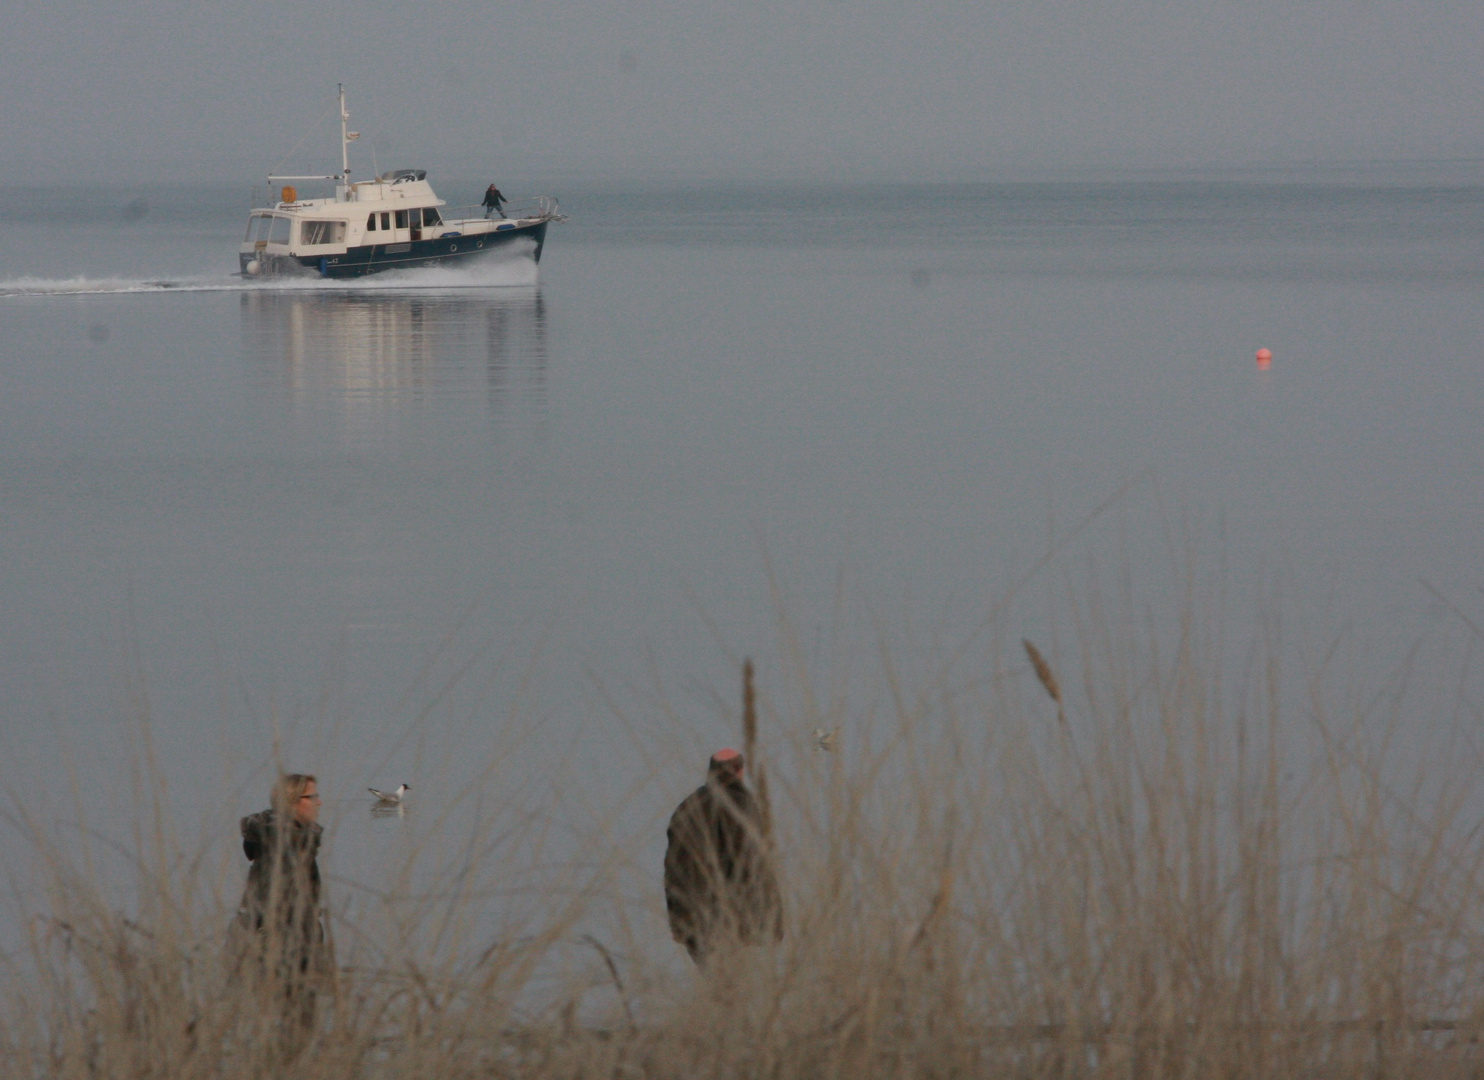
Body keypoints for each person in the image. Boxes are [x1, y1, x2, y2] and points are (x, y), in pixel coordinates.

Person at [229, 773, 333, 1033]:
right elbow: (279, 908)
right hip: (279, 954)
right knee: (291, 1030)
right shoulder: (284, 846)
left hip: (278, 949)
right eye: (313, 797)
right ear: (293, 801)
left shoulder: (288, 841)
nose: (320, 803)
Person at [663, 749, 783, 965]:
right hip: (734, 926)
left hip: (693, 924)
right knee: (740, 992)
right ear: (739, 771)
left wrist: (679, 922)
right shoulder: (740, 805)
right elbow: (750, 864)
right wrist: (770, 923)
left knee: (716, 990)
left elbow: (672, 869)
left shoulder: (686, 808)